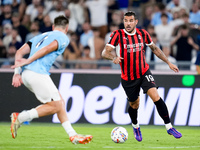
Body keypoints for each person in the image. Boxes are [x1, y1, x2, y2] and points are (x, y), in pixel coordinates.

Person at [10, 15, 92, 144]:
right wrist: (30, 60)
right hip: (37, 73)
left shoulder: (40, 36)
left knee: (60, 103)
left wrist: (16, 73)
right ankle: (20, 117)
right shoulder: (63, 37)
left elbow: (19, 52)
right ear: (67, 28)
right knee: (56, 105)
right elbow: (47, 49)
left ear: (53, 27)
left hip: (27, 74)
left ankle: (73, 135)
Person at [102, 11, 182, 142]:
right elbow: (104, 52)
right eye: (126, 20)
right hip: (128, 78)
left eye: (130, 20)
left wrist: (168, 62)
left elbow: (155, 49)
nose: (128, 23)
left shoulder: (143, 34)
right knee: (134, 104)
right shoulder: (117, 35)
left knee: (156, 96)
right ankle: (136, 126)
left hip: (144, 72)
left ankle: (169, 126)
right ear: (123, 21)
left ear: (136, 22)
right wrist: (113, 57)